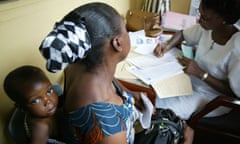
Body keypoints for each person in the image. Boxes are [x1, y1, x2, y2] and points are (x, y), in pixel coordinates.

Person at [39, 2, 194, 144]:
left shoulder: (77, 64)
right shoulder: (108, 129)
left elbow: (108, 79)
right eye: (125, 29)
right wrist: (187, 141)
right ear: (117, 43)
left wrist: (129, 92)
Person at [154, 0, 240, 120]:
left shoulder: (236, 48)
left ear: (223, 19)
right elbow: (183, 34)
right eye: (199, 14)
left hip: (210, 97)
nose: (199, 20)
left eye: (205, 18)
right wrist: (167, 45)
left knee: (159, 109)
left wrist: (201, 74)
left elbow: (234, 93)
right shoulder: (207, 28)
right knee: (151, 96)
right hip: (188, 83)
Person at [3, 65, 65, 144]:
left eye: (49, 91)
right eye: (35, 101)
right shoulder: (41, 127)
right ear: (22, 108)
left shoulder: (48, 107)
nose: (48, 101)